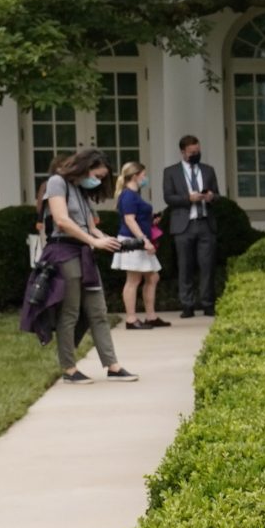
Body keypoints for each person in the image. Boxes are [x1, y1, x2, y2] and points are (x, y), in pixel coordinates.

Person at [40, 147, 136, 384]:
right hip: (64, 252)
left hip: (83, 253)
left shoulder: (80, 190)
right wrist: (94, 240)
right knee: (70, 313)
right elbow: (62, 220)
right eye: (97, 175)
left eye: (102, 178)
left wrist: (103, 238)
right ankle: (69, 369)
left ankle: (113, 366)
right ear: (84, 167)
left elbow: (89, 225)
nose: (98, 181)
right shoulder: (57, 182)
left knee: (98, 311)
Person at [161, 133, 220, 317]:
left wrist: (211, 197)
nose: (196, 154)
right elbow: (168, 197)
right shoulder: (170, 171)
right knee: (185, 266)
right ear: (183, 152)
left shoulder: (208, 170)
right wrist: (188, 198)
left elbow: (218, 195)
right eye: (192, 152)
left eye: (198, 150)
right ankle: (187, 305)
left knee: (207, 266)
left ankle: (208, 303)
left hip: (205, 223)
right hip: (183, 225)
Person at [112, 161, 167, 330]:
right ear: (135, 176)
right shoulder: (128, 195)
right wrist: (144, 240)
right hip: (133, 241)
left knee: (152, 277)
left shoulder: (134, 194)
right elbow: (129, 220)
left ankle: (150, 316)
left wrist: (151, 220)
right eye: (143, 175)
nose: (145, 178)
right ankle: (131, 319)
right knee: (133, 280)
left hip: (139, 240)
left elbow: (137, 217)